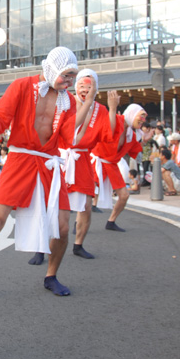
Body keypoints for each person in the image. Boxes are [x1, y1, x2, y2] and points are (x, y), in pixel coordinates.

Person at [0, 46, 87, 304]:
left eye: (73, 76)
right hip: (19, 159)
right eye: (66, 75)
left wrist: (87, 103)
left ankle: (51, 276)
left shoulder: (69, 101)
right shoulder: (21, 86)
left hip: (49, 163)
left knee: (62, 227)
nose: (70, 81)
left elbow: (69, 137)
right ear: (51, 69)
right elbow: (1, 114)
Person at [60, 69, 118, 260]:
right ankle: (42, 248)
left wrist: (112, 109)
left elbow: (109, 135)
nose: (85, 90)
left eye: (89, 87)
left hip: (83, 159)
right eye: (81, 86)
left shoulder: (99, 109)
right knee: (54, 205)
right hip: (60, 158)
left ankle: (78, 244)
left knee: (85, 206)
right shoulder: (65, 100)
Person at [89, 104, 146, 232]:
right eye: (141, 116)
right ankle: (79, 222)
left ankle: (111, 221)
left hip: (112, 164)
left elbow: (132, 150)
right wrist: (112, 108)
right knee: (87, 194)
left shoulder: (132, 132)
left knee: (124, 195)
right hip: (98, 160)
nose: (143, 120)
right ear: (132, 113)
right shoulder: (116, 119)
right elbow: (106, 131)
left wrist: (144, 141)